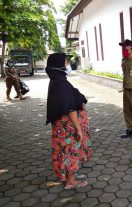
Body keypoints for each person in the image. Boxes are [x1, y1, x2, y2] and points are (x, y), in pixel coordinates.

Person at [46, 53, 92, 189]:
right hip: (67, 127)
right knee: (70, 151)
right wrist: (79, 129)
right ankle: (71, 182)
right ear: (59, 65)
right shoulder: (60, 84)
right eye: (66, 62)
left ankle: (69, 176)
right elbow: (70, 109)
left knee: (65, 151)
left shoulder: (57, 80)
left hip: (62, 127)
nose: (68, 65)